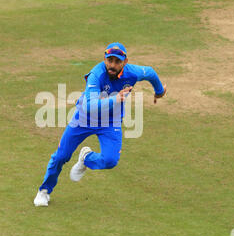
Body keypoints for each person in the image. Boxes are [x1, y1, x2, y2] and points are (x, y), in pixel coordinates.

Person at [34, 42, 167, 206]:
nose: (112, 65)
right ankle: (44, 190)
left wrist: (159, 91)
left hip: (110, 122)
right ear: (104, 59)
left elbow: (151, 73)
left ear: (125, 62)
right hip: (84, 119)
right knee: (62, 156)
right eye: (109, 60)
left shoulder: (133, 73)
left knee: (110, 160)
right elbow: (89, 106)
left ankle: (86, 158)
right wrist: (115, 99)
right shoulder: (96, 74)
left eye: (117, 62)